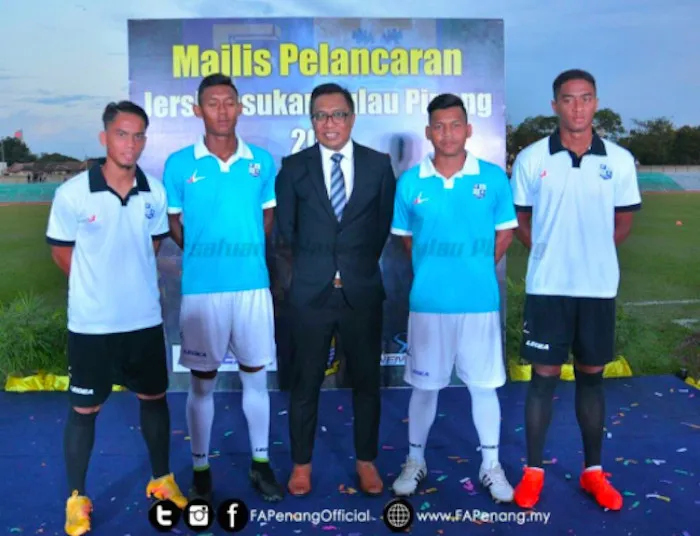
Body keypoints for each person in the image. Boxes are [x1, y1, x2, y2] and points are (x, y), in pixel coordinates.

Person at [46, 101, 187, 536]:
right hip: (92, 326)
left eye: (138, 135)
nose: (131, 143)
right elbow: (62, 251)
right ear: (104, 137)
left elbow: (153, 245)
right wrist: (98, 288)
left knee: (154, 399)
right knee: (84, 409)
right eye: (122, 134)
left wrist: (128, 286)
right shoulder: (72, 193)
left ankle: (161, 479)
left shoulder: (154, 191)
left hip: (143, 321)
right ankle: (77, 499)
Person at [510, 69, 642, 511]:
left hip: (597, 289)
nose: (578, 107)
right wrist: (548, 252)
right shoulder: (532, 157)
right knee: (542, 380)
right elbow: (520, 219)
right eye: (568, 99)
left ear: (596, 102)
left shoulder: (619, 160)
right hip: (548, 287)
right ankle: (533, 473)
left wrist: (592, 255)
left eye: (586, 98)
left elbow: (623, 221)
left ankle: (593, 473)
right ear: (555, 105)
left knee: (591, 377)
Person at [389, 94, 517, 502]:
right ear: (429, 132)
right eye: (439, 126)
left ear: (468, 129)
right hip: (429, 305)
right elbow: (406, 241)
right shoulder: (411, 182)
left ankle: (491, 465)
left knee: (483, 387)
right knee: (425, 388)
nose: (448, 133)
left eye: (455, 124)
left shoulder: (492, 178)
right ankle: (415, 460)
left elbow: (505, 233)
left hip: (479, 304)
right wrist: (436, 268)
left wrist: (474, 267)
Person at [163, 73, 284, 503]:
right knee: (202, 383)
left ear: (239, 107)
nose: (222, 110)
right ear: (198, 110)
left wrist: (241, 252)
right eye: (212, 103)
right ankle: (200, 469)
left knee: (256, 378)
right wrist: (204, 253)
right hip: (203, 291)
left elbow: (266, 217)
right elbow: (174, 222)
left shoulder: (261, 162)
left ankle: (261, 464)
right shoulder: (179, 164)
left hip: (252, 287)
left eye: (229, 102)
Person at [275, 82, 396, 497]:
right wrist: (317, 271)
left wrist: (352, 267)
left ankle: (366, 462)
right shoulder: (294, 167)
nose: (330, 123)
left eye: (338, 114)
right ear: (312, 121)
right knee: (304, 383)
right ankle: (301, 465)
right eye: (321, 115)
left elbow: (380, 228)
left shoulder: (378, 165)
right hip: (311, 295)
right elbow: (287, 232)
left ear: (352, 118)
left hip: (361, 292)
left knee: (367, 384)